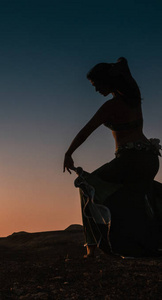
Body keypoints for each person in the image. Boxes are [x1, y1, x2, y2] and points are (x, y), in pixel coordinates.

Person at [63, 57, 161, 258]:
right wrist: (117, 67)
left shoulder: (110, 107)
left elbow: (86, 130)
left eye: (97, 84)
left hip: (131, 160)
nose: (96, 89)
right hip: (150, 159)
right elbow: (124, 62)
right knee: (134, 199)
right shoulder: (134, 97)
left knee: (87, 186)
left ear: (108, 81)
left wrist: (68, 153)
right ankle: (143, 242)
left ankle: (94, 247)